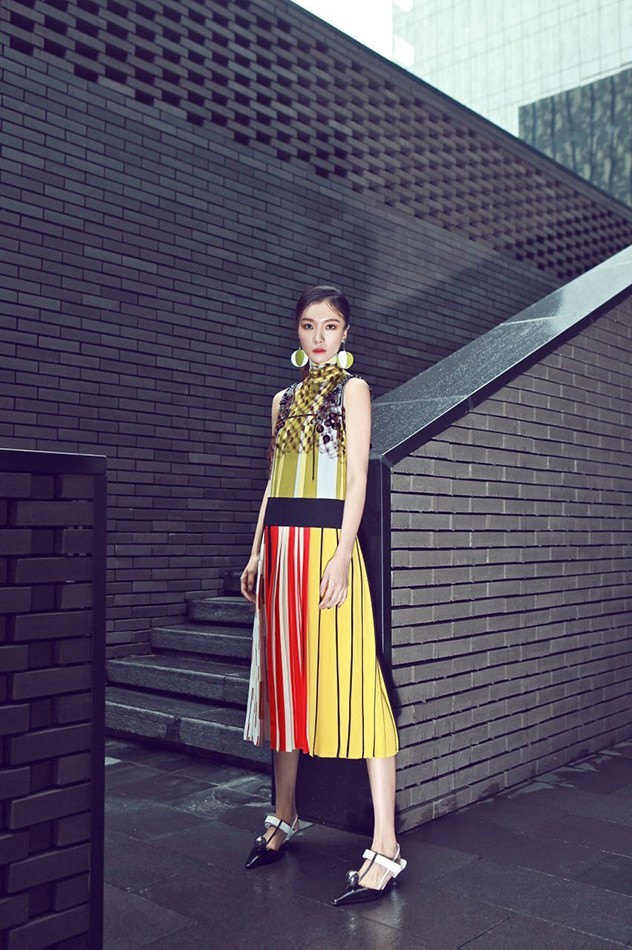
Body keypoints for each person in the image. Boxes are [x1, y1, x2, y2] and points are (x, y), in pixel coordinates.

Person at [240, 285, 406, 906]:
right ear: (297, 331)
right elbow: (273, 481)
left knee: (357, 684)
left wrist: (341, 553)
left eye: (330, 326)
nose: (318, 337)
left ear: (345, 333)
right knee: (285, 681)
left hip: (327, 551)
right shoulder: (282, 401)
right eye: (309, 325)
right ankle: (285, 814)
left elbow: (358, 477)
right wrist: (257, 550)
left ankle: (386, 845)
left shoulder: (353, 390)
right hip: (281, 551)